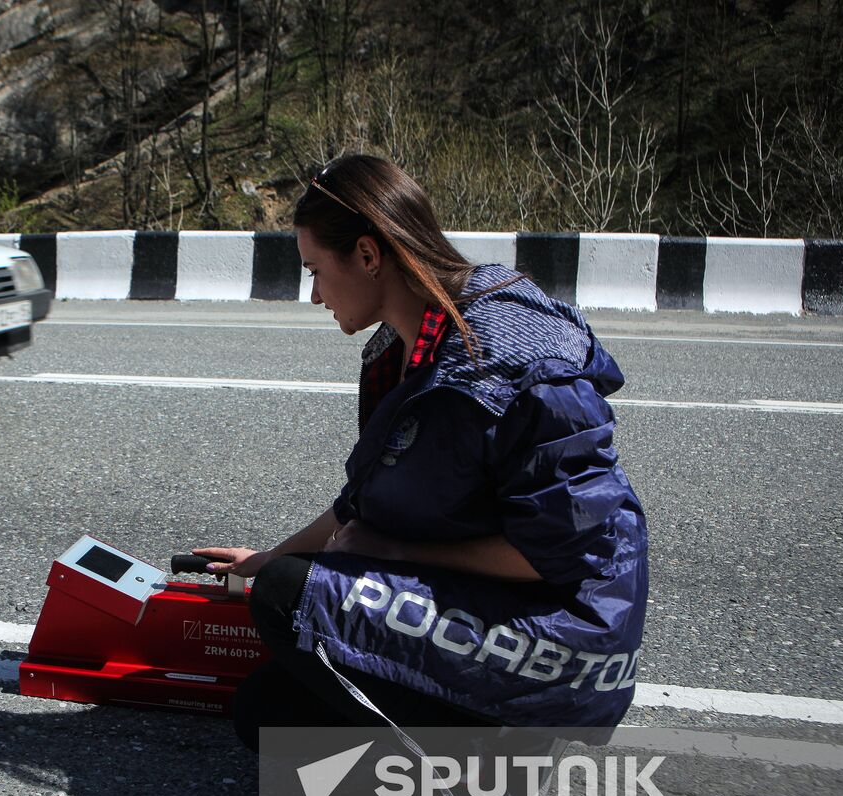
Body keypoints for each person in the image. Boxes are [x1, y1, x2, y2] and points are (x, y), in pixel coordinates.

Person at [194, 155, 648, 753]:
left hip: (565, 644)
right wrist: (265, 557)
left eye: (314, 271)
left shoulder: (512, 366)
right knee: (267, 713)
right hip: (497, 604)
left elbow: (562, 554)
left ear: (366, 254)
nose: (314, 296)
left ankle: (493, 766)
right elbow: (363, 509)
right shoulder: (409, 346)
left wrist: (391, 550)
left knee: (290, 596)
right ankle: (470, 749)